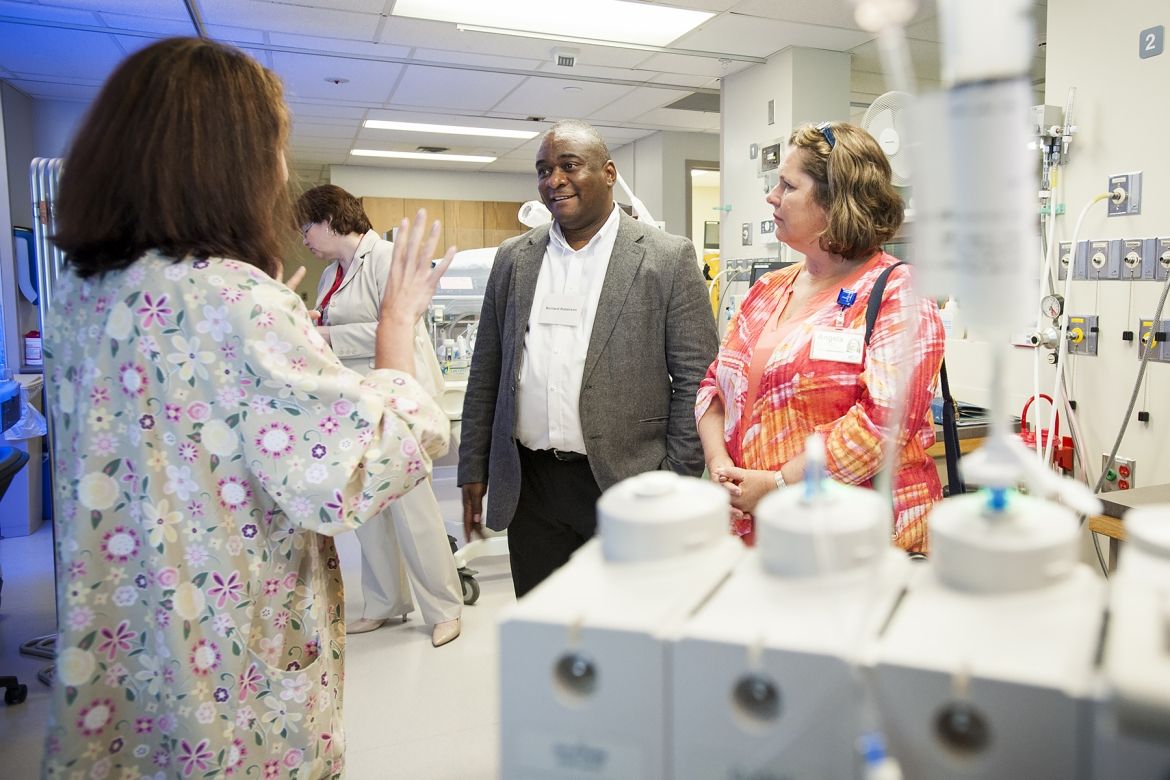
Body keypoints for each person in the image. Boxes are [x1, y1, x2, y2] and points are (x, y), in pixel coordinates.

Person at [42, 37, 454, 779]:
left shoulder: (80, 296)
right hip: (226, 664)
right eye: (276, 146)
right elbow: (357, 467)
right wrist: (397, 325)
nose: (282, 171)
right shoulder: (236, 300)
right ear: (229, 161)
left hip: (130, 643)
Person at [459, 119, 719, 597]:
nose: (554, 180)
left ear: (608, 173)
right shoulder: (515, 258)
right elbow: (487, 369)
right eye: (543, 170)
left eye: (569, 166)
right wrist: (474, 466)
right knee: (543, 622)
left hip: (627, 482)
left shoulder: (665, 258)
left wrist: (676, 476)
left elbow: (698, 380)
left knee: (624, 622)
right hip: (531, 484)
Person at [697, 122, 944, 553]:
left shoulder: (900, 293)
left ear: (836, 202)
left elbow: (882, 424)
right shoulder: (768, 289)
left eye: (788, 186)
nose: (772, 196)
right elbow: (713, 386)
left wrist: (777, 484)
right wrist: (721, 467)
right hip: (758, 533)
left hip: (851, 541)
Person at [297, 184, 462, 648]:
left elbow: (401, 322)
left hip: (397, 399)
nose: (303, 239)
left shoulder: (386, 258)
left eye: (306, 227)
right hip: (356, 403)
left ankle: (445, 607)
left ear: (330, 219)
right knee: (369, 510)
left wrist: (328, 336)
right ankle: (385, 602)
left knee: (413, 512)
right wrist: (316, 322)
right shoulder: (331, 272)